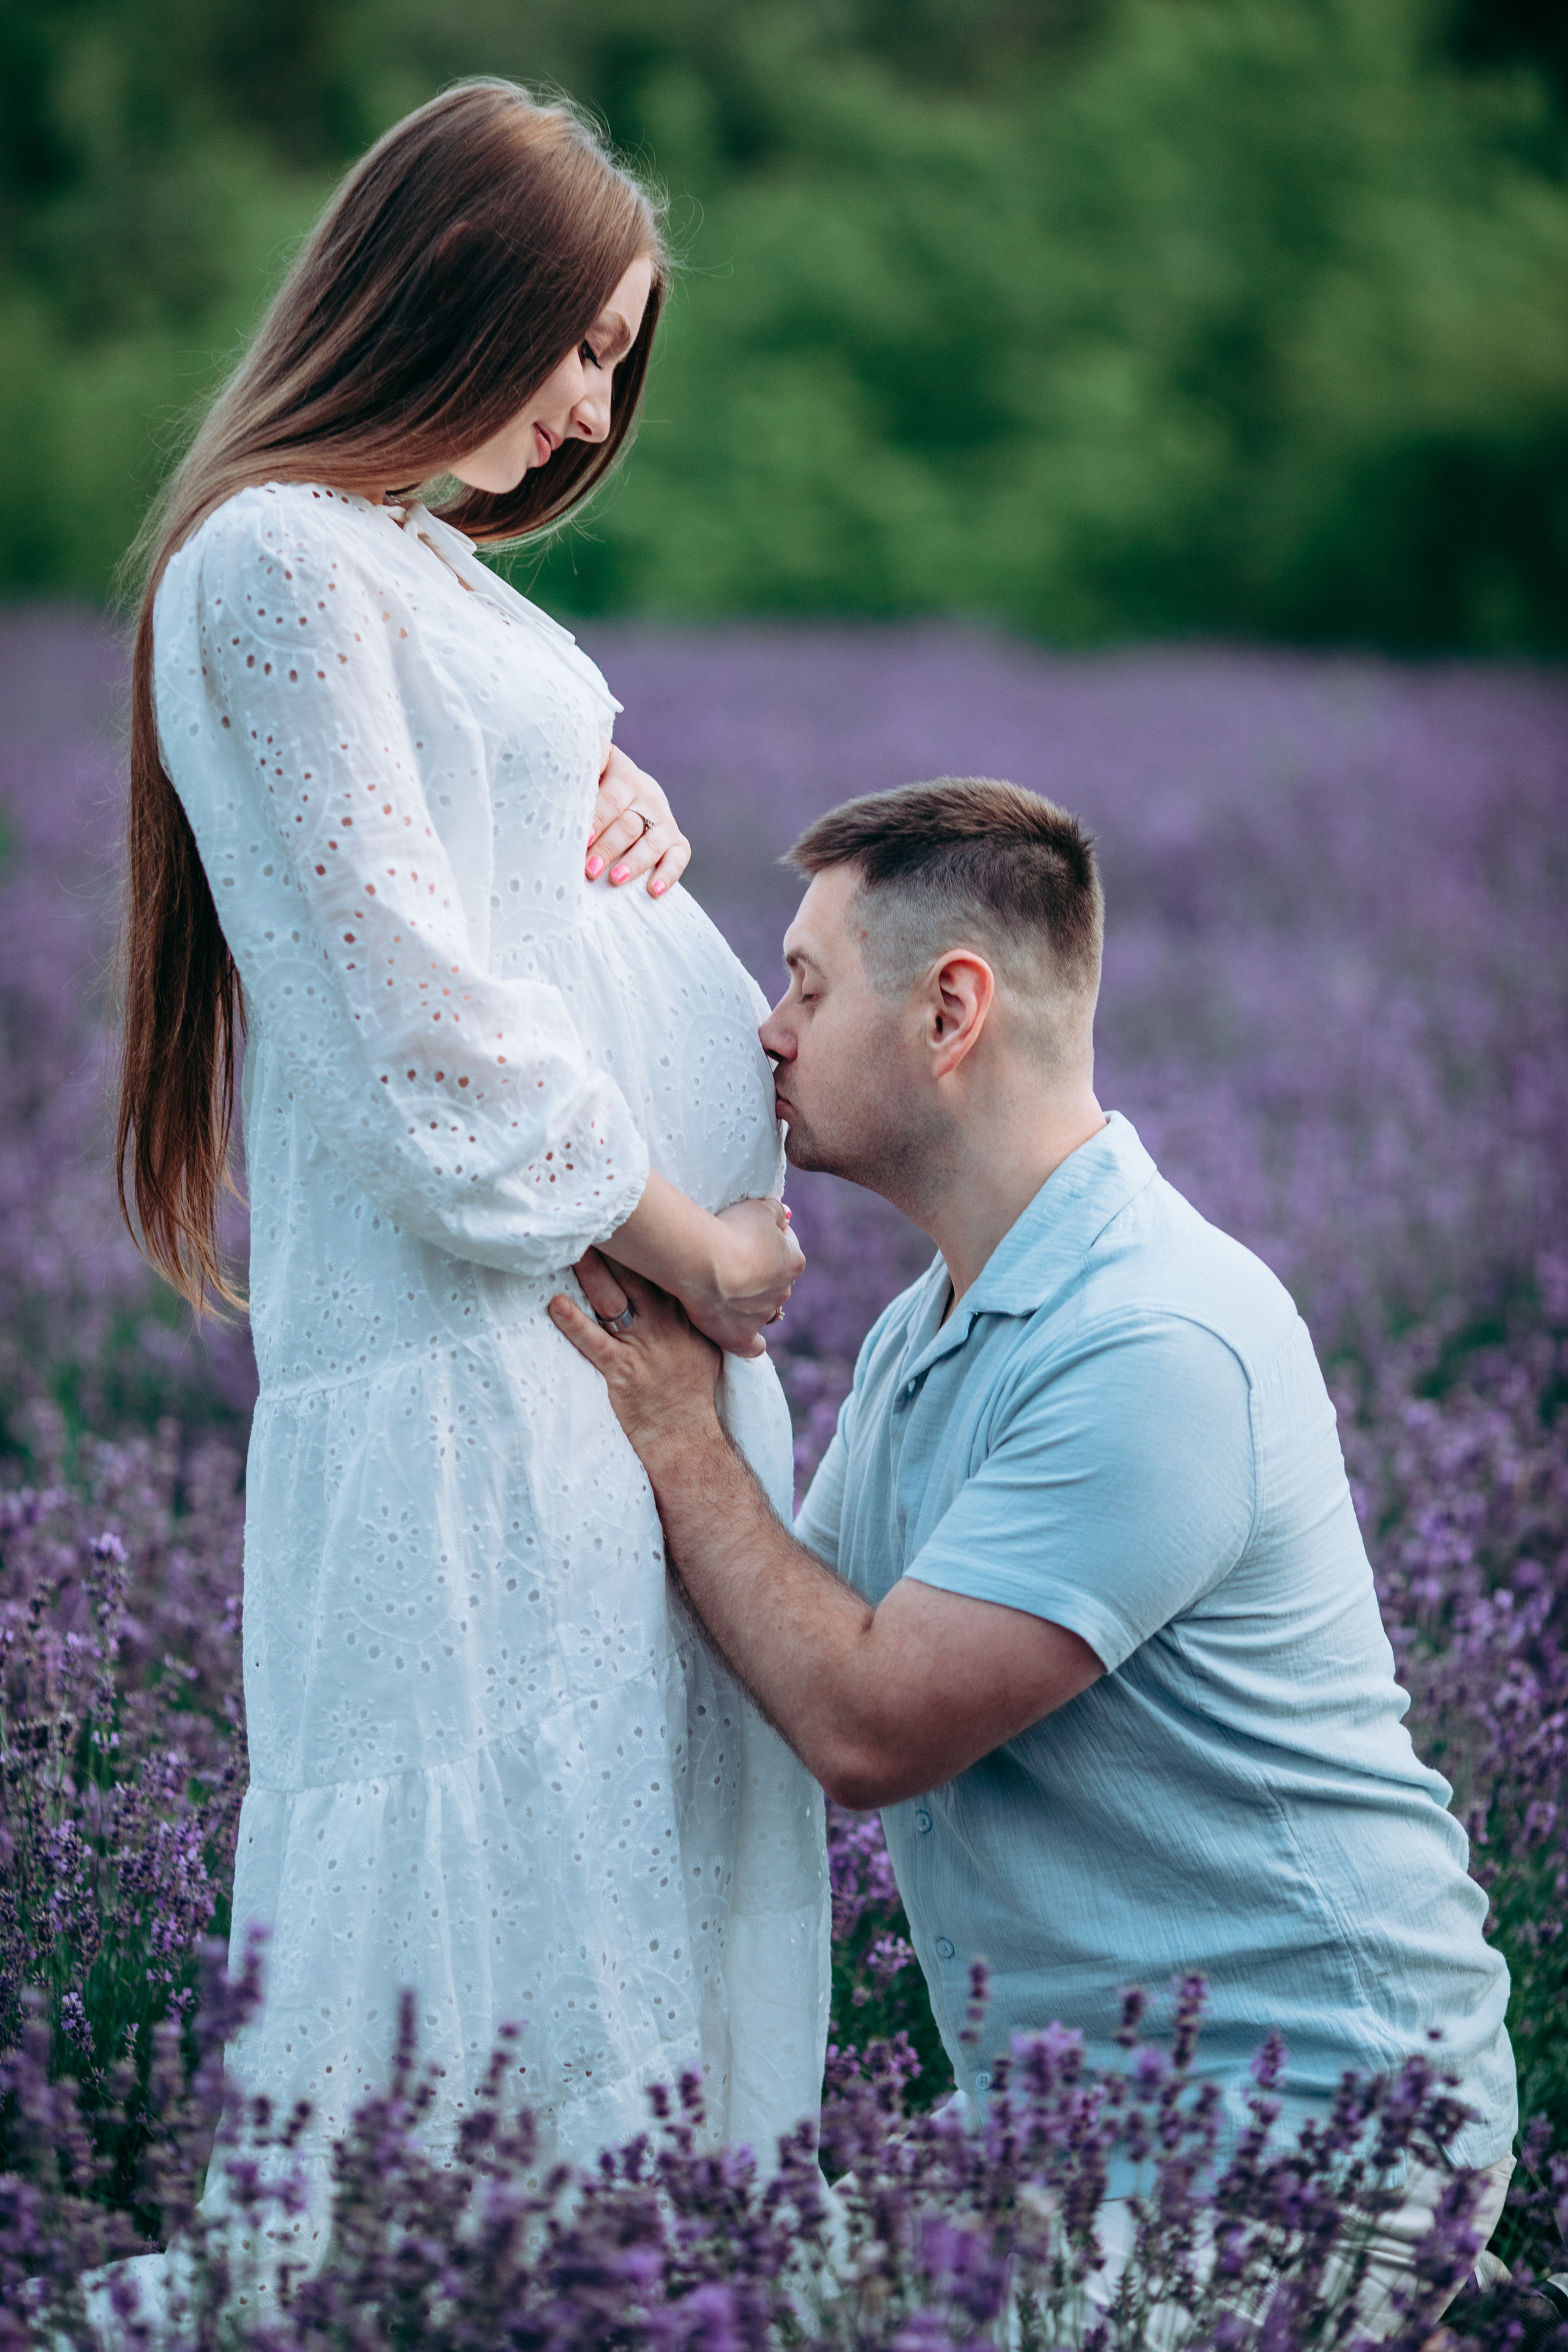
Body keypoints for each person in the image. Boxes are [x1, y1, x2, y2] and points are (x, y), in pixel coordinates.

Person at [118, 80, 829, 2293]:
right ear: (441, 289)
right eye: (574, 338)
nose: (590, 401)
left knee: (616, 1882)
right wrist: (697, 1240)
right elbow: (407, 1011)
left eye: (622, 355)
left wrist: (624, 807)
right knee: (494, 1900)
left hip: (575, 1347)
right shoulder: (274, 561)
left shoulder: (404, 564)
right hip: (480, 1339)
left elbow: (490, 863)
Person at [551, 775, 1519, 2334]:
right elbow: (772, 1643)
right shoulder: (929, 1331)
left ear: (950, 1011)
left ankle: (1428, 2301)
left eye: (804, 984)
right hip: (1073, 2134)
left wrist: (676, 1431)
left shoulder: (1153, 1344)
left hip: (1310, 2138)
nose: (767, 1030)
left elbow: (862, 1727)